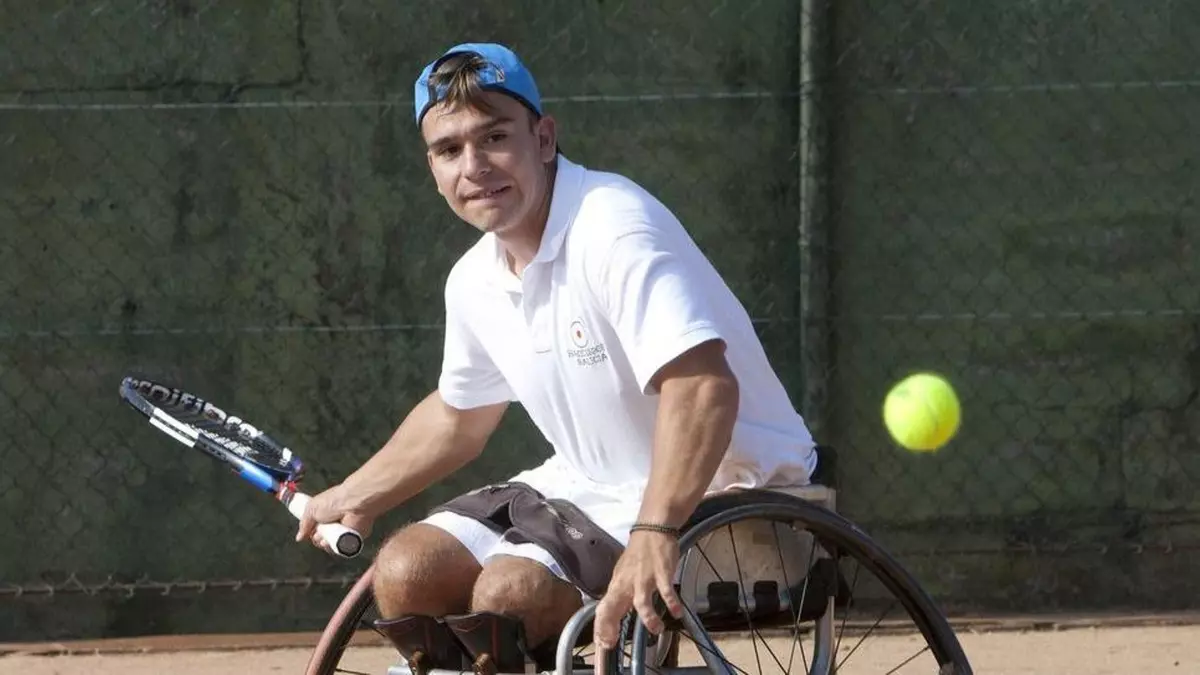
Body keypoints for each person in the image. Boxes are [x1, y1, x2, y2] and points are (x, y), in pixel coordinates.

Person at [295, 41, 818, 671]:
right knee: (408, 570)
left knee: (509, 593)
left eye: (494, 138)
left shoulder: (613, 226)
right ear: (432, 168)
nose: (474, 167)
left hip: (726, 493)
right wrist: (356, 495)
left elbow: (702, 386)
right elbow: (460, 417)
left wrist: (655, 530)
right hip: (584, 488)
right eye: (449, 149)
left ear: (543, 139)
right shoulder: (473, 279)